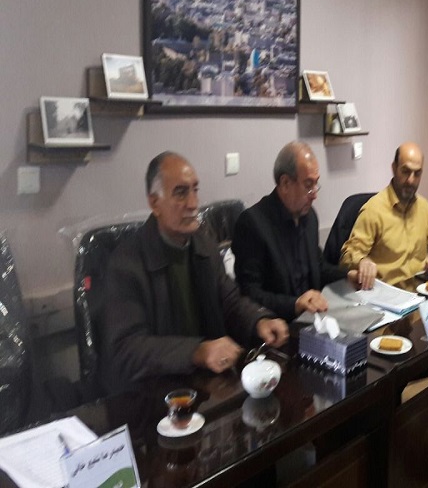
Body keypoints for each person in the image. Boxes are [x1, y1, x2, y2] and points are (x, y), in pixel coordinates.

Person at [101, 152, 288, 394]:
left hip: (207, 387)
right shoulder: (126, 264)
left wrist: (258, 321)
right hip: (156, 395)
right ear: (154, 203)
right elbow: (126, 349)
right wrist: (197, 352)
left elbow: (230, 302)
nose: (193, 203)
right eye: (180, 193)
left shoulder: (204, 245)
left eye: (195, 190)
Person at [232, 141, 350, 321]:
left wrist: (348, 275)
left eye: (316, 184)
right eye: (308, 185)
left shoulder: (309, 217)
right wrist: (294, 304)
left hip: (315, 319)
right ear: (285, 183)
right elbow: (249, 294)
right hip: (279, 324)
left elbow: (319, 267)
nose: (314, 194)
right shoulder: (253, 224)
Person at [340, 142, 428, 291]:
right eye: (405, 171)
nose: (411, 180)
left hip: (420, 294)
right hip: (386, 296)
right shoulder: (373, 210)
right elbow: (348, 255)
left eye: (417, 174)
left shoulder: (423, 207)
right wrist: (362, 261)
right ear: (394, 168)